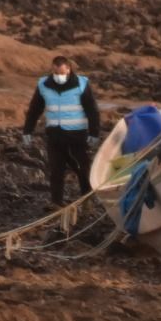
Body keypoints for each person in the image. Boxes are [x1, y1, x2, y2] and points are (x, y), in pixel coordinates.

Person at [22, 56, 101, 208]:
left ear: (69, 70)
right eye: (56, 73)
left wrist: (94, 133)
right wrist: (28, 130)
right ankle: (56, 202)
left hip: (76, 135)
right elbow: (35, 109)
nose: (59, 76)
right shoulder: (44, 85)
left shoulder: (82, 84)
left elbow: (92, 110)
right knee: (56, 169)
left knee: (82, 169)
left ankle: (87, 200)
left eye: (62, 73)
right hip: (55, 135)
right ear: (52, 70)